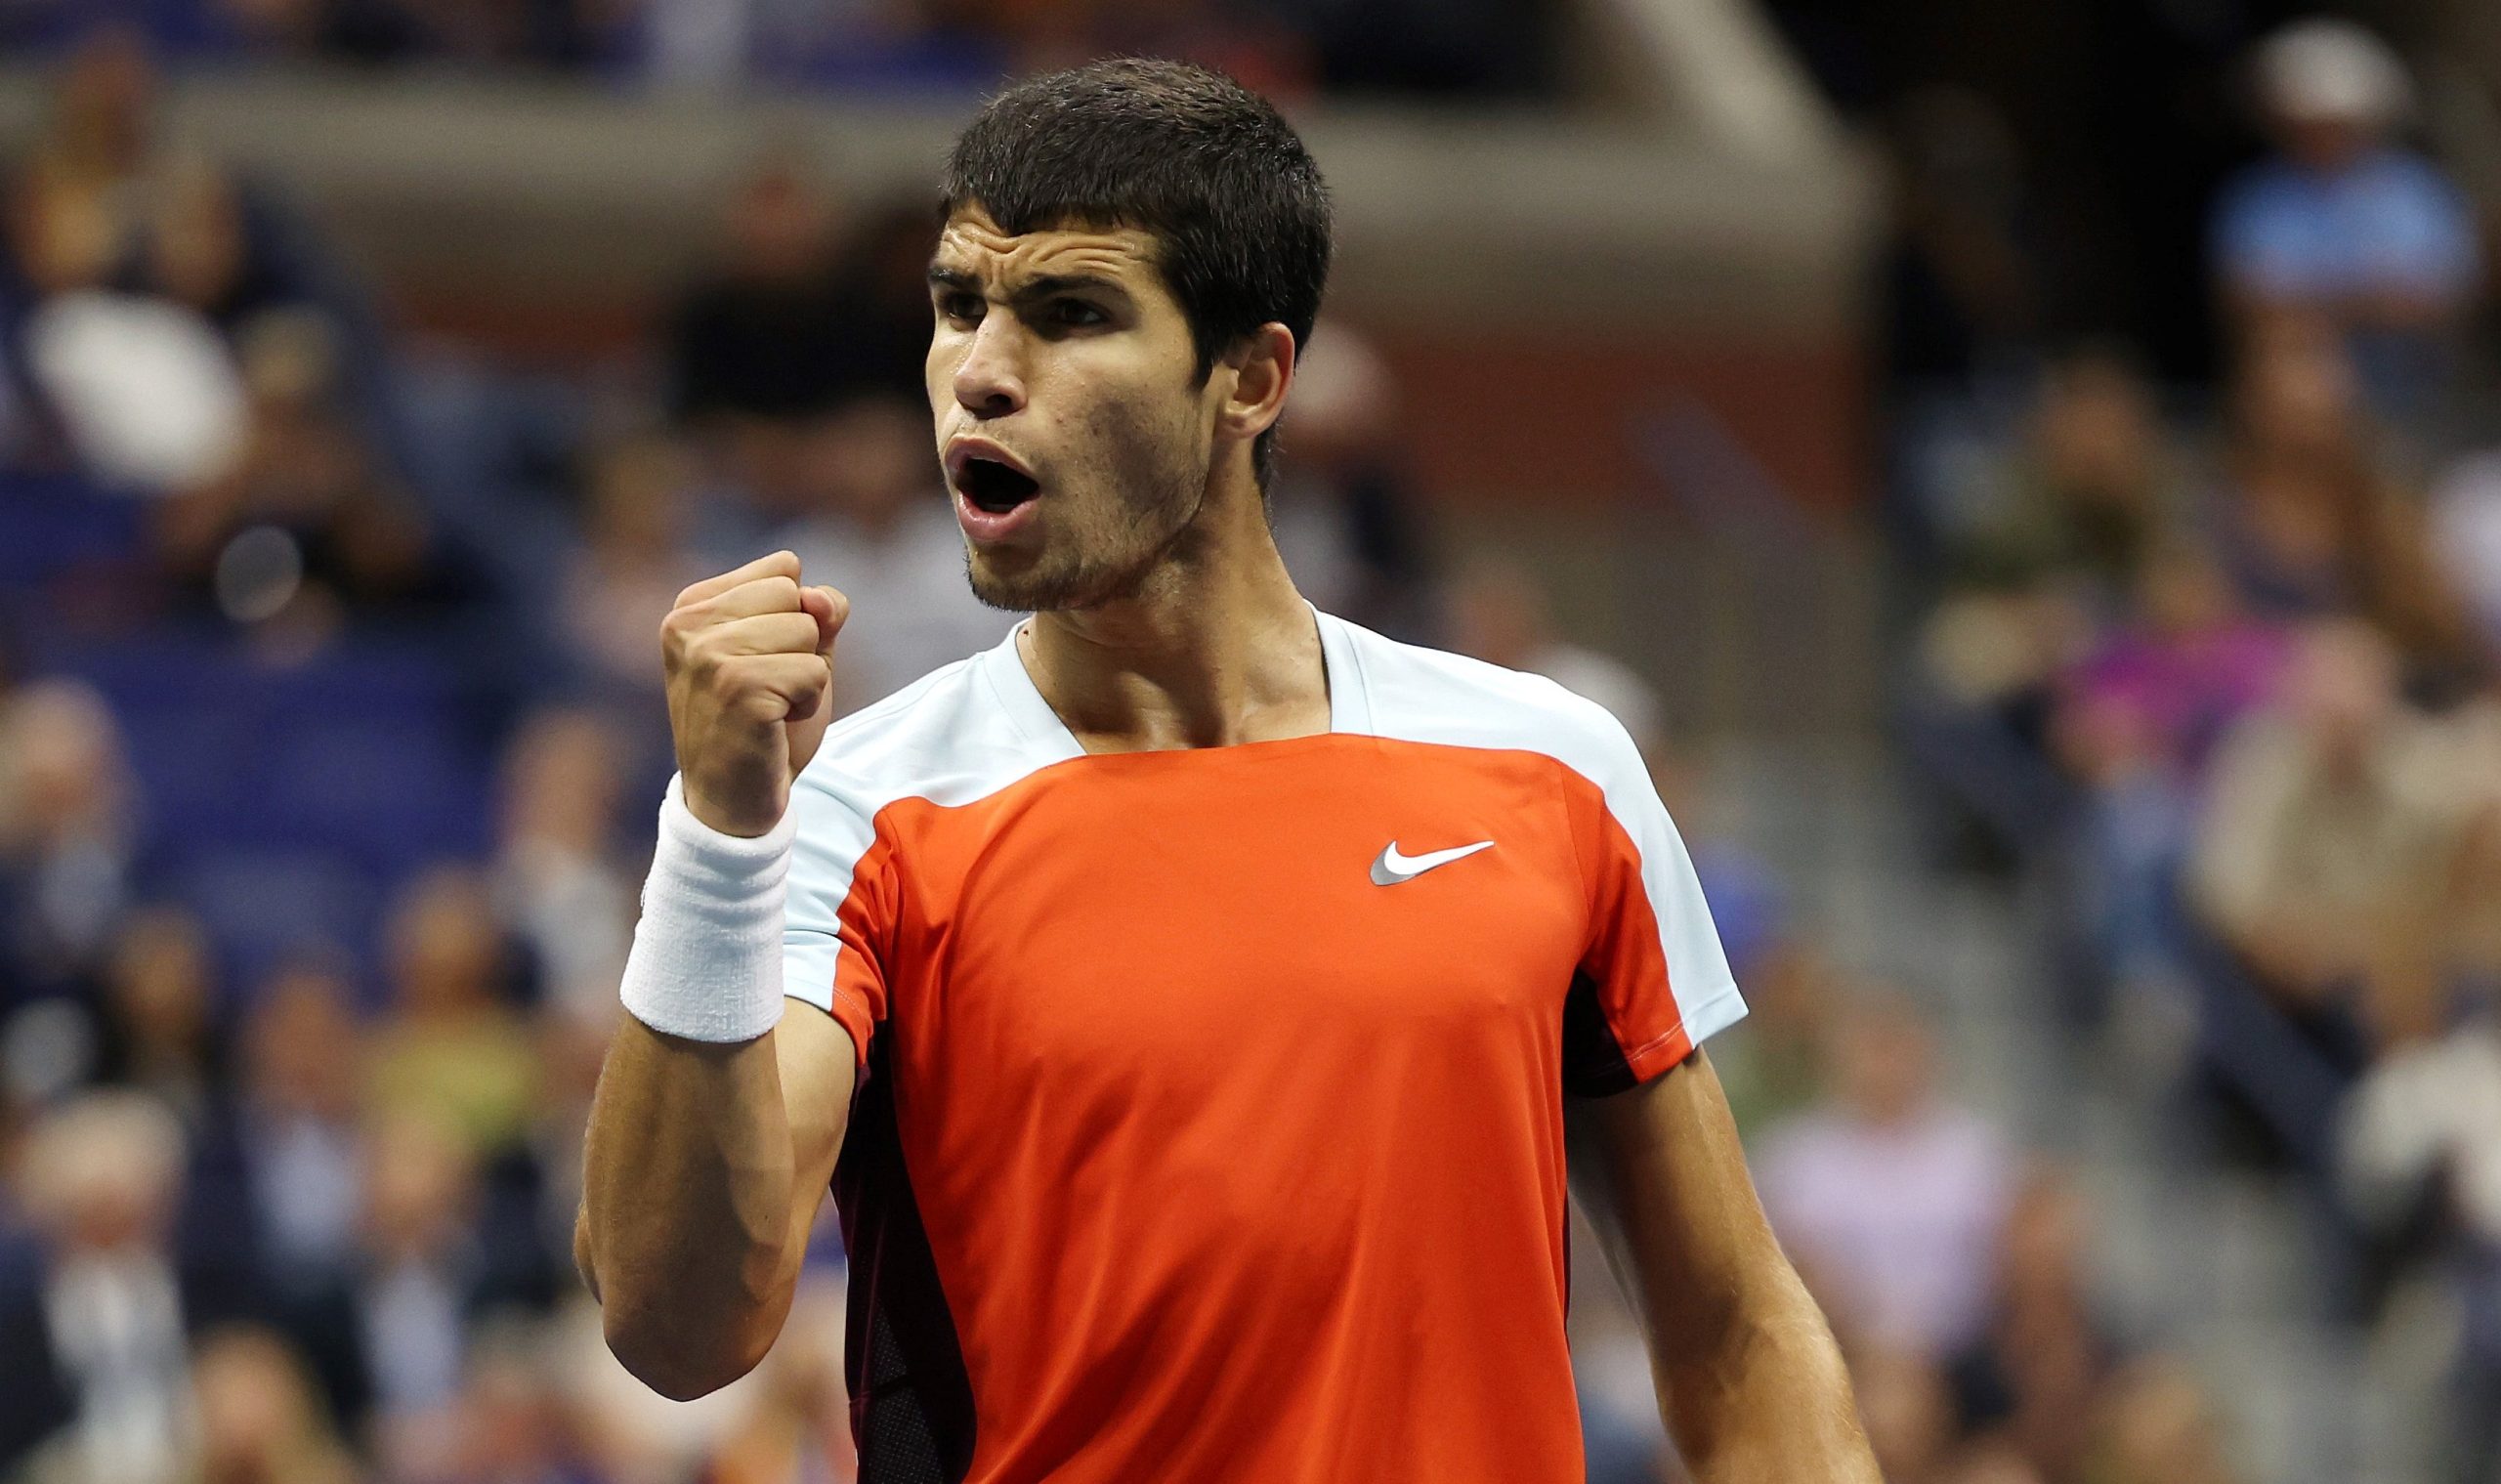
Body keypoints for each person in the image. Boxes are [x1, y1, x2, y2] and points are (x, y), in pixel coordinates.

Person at [574, 59, 1874, 1483]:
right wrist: (712, 839)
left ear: (1251, 378)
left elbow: (1736, 1331)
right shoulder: (855, 814)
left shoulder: (1553, 768)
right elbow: (680, 1326)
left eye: (1072, 315)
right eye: (959, 308)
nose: (982, 371)